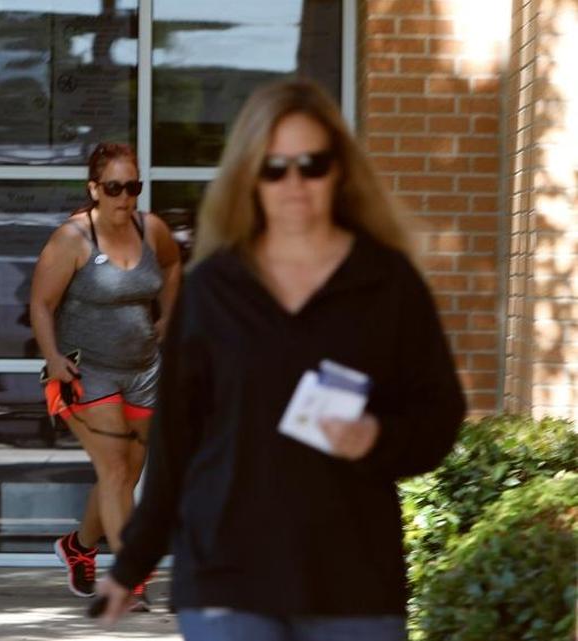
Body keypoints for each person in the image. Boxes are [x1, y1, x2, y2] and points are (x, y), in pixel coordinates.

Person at [94, 79, 467, 640]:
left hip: (352, 581)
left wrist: (377, 438)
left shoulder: (387, 283)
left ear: (339, 170)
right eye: (275, 167)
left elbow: (440, 414)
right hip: (229, 579)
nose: (294, 182)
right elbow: (176, 443)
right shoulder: (214, 290)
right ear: (250, 176)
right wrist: (130, 564)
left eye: (311, 164)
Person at [29, 142, 181, 609]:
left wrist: (166, 321)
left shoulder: (150, 228)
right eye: (114, 188)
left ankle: (78, 547)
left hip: (143, 372)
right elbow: (41, 303)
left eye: (133, 186)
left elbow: (174, 267)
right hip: (84, 371)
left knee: (125, 475)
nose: (125, 197)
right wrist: (53, 357)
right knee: (115, 470)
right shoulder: (73, 239)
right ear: (94, 188)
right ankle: (129, 581)